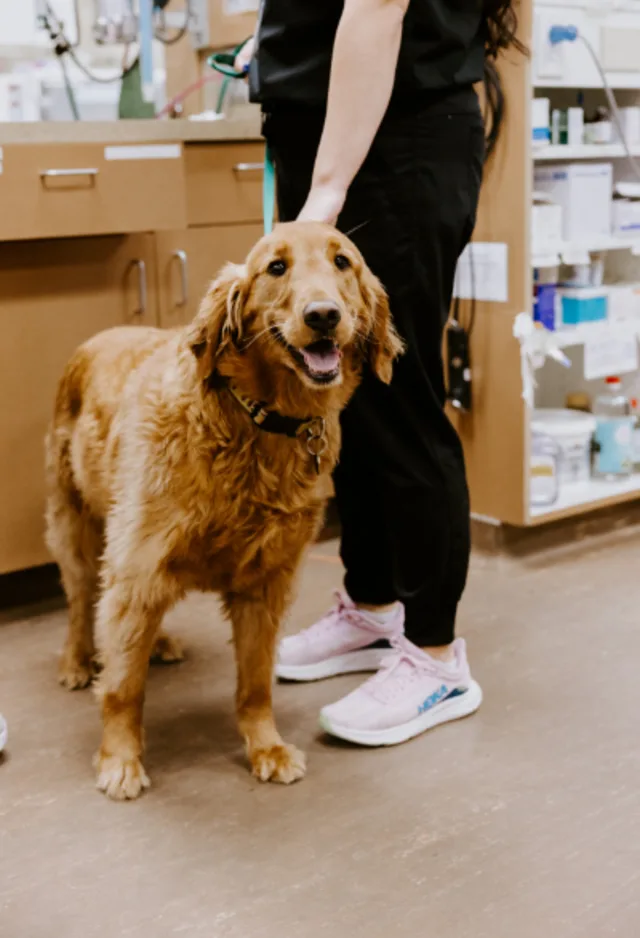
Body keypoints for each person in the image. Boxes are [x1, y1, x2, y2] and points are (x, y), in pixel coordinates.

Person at [239, 0, 523, 747]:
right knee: (345, 399)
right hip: (344, 137)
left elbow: (379, 5)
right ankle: (373, 608)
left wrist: (327, 194)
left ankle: (435, 659)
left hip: (389, 150)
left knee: (400, 396)